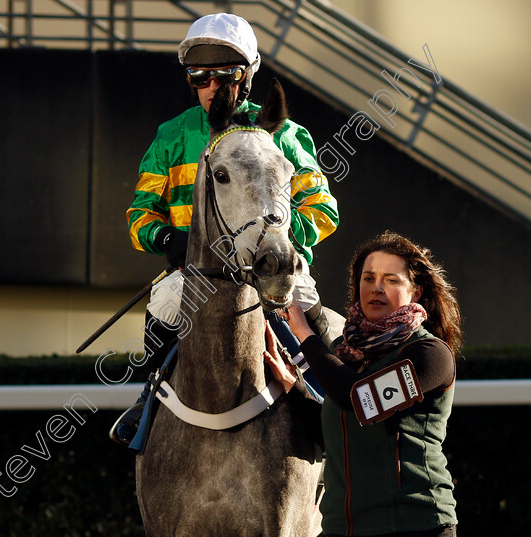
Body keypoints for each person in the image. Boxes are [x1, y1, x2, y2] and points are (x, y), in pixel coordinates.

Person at [109, 12, 340, 445]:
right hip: (199, 275)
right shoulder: (171, 136)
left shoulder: (285, 134)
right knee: (165, 299)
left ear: (247, 76)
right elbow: (141, 215)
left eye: (226, 75)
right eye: (200, 76)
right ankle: (148, 399)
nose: (213, 87)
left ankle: (332, 404)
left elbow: (323, 208)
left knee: (304, 296)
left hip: (272, 267)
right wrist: (168, 239)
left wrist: (279, 242)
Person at [267, 231, 461, 536]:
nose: (377, 288)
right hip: (340, 529)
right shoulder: (347, 353)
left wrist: (305, 335)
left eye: (392, 280)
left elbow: (359, 402)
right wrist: (293, 388)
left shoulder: (430, 354)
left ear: (417, 292)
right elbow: (330, 432)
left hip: (415, 526)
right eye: (368, 278)